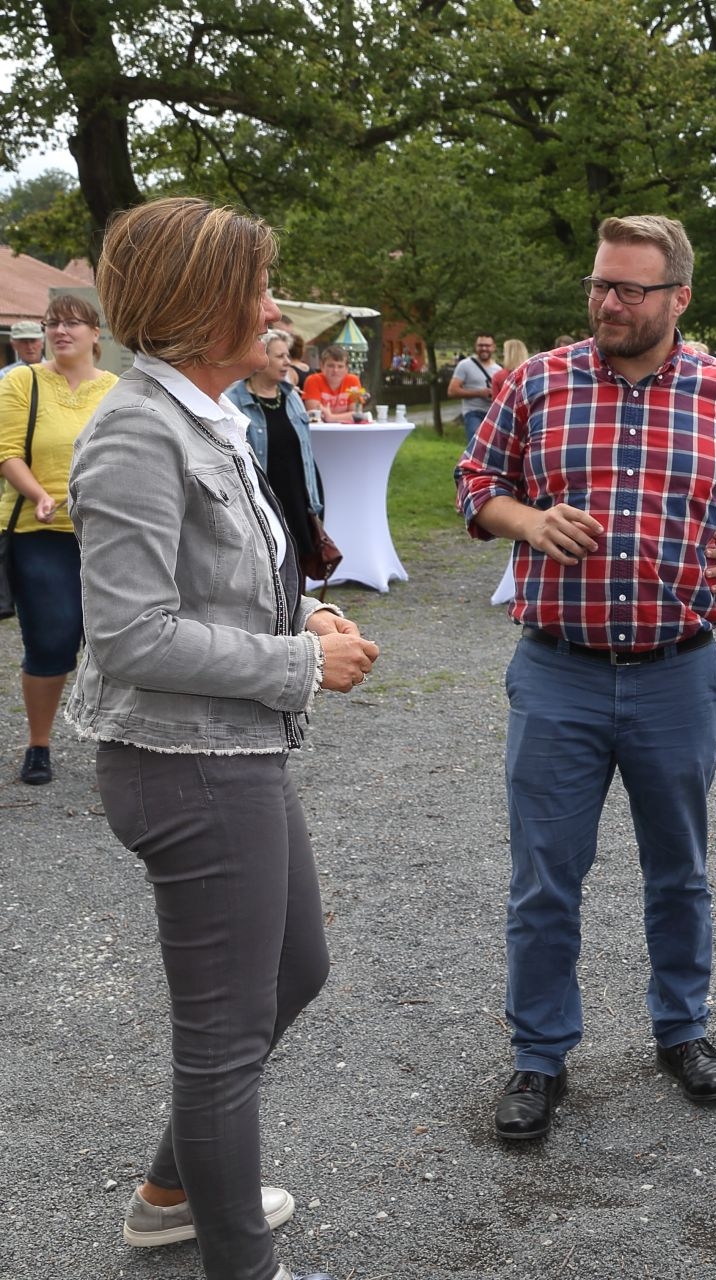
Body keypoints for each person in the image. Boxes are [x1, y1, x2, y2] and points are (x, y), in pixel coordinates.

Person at [456, 214, 716, 1142]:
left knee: (679, 870)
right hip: (557, 670)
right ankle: (540, 1055)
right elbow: (476, 483)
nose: (608, 302)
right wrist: (529, 522)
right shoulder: (536, 382)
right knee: (545, 876)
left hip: (675, 673)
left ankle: (682, 1029)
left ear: (678, 298)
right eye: (599, 284)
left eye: (629, 288)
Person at [68, 195, 378, 1280]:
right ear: (205, 306)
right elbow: (130, 636)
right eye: (259, 287)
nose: (274, 307)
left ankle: (170, 1196)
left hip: (231, 750)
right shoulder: (135, 432)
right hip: (184, 765)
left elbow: (221, 581)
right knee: (225, 1039)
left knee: (296, 970)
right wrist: (301, 663)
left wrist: (307, 616)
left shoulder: (206, 414)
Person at [0, 295, 117, 784]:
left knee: (117, 640)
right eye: (53, 323)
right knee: (51, 639)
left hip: (106, 535)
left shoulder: (116, 389)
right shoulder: (21, 381)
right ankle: (38, 744)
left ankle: (121, 743)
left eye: (72, 323)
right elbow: (7, 452)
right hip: (40, 532)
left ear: (96, 333)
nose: (60, 331)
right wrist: (39, 495)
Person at [228, 330, 324, 580]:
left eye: (288, 356)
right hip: (261, 505)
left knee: (297, 578)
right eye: (280, 356)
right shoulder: (232, 402)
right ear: (259, 357)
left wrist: (314, 503)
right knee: (266, 577)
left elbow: (305, 453)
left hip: (296, 502)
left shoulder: (292, 397)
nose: (287, 362)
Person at [447, 333, 501, 442]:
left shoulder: (499, 369)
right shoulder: (464, 365)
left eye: (487, 345)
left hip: (493, 414)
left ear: (493, 347)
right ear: (475, 346)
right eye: (480, 345)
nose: (484, 348)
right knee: (476, 443)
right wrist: (479, 393)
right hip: (473, 412)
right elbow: (452, 391)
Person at [299, 345, 363, 423]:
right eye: (331, 366)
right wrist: (345, 416)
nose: (335, 370)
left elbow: (357, 414)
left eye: (340, 366)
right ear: (322, 366)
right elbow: (314, 414)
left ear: (346, 369)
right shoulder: (312, 380)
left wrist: (331, 417)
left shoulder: (353, 381)